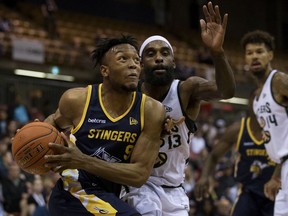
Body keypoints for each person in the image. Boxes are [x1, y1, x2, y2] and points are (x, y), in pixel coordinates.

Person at [122, 2, 236, 215]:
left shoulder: (187, 90)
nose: (159, 58)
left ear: (173, 62)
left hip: (175, 190)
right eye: (151, 54)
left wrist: (217, 52)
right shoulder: (129, 95)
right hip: (139, 186)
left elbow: (226, 91)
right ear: (140, 64)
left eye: (165, 53)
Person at [43, 35, 166, 216]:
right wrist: (35, 141)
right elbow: (52, 123)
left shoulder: (152, 110)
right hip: (73, 193)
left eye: (136, 60)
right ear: (105, 70)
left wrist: (82, 160)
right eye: (123, 59)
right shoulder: (77, 100)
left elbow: (139, 175)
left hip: (110, 195)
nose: (133, 65)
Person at [194, 96, 281, 216]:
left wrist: (277, 177)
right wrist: (205, 176)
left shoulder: (279, 129)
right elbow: (213, 155)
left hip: (274, 194)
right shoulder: (238, 129)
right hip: (248, 193)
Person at [241, 30, 288, 216]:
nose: (254, 56)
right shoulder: (256, 97)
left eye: (259, 51)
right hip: (283, 166)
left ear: (270, 55)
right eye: (249, 52)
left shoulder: (278, 81)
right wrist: (276, 175)